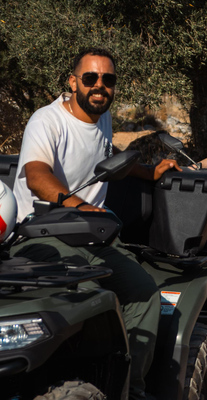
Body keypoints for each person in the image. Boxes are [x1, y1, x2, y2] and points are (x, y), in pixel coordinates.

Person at [11, 47, 180, 399]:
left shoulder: (100, 116)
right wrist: (80, 208)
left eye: (108, 79)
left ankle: (128, 387)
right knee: (91, 301)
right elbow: (37, 177)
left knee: (143, 291)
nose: (99, 86)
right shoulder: (47, 120)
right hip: (41, 232)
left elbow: (107, 156)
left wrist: (150, 172)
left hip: (93, 235)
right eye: (90, 78)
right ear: (73, 82)